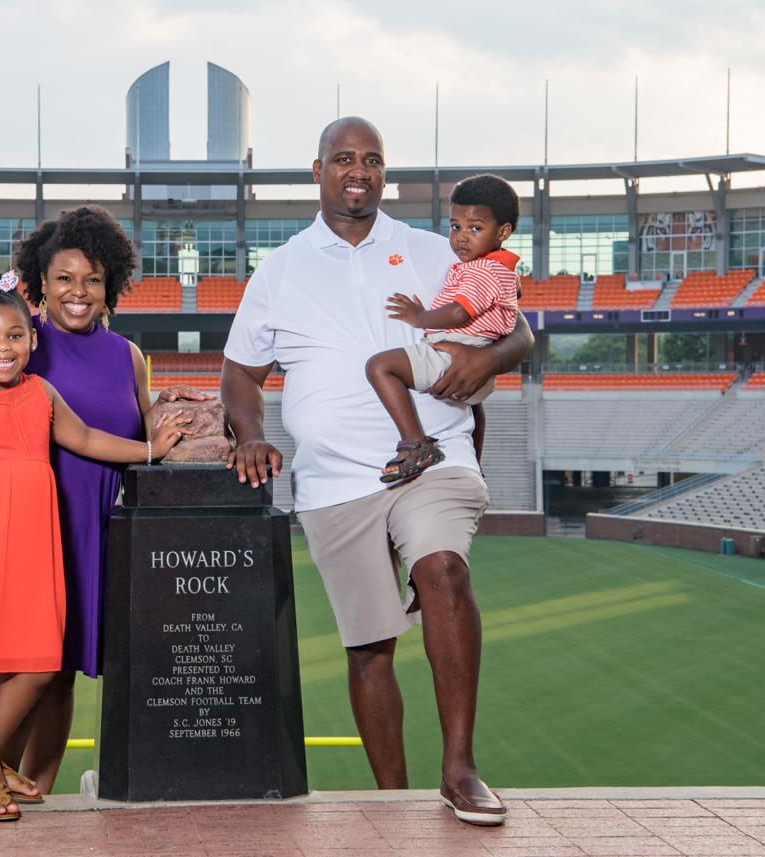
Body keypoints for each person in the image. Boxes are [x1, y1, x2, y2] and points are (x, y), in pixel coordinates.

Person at [221, 117, 533, 826]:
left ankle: (460, 770)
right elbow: (240, 372)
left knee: (444, 570)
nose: (357, 171)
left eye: (371, 160)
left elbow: (517, 325)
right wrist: (248, 432)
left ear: (385, 173)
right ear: (317, 170)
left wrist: (488, 359)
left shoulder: (435, 250)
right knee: (370, 647)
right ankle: (391, 799)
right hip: (334, 482)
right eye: (342, 159)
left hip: (433, 456)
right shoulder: (282, 267)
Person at [0, 207, 210, 795]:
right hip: (26, 525)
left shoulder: (128, 355)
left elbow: (140, 431)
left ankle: (35, 789)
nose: (78, 291)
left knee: (63, 672)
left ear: (109, 283)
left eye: (92, 278)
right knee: (24, 665)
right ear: (40, 281)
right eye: (64, 277)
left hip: (94, 526)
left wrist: (171, 404)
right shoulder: (20, 343)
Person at [0, 280, 185, 821]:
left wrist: (151, 449)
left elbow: (85, 439)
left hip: (35, 552)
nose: (2, 346)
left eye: (15, 335)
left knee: (41, 663)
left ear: (33, 342)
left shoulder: (42, 395)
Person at [365, 174, 521, 485]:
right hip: (477, 362)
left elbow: (460, 311)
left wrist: (419, 317)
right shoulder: (502, 268)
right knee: (472, 407)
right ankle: (474, 461)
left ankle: (415, 444)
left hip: (457, 350)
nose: (462, 237)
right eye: (455, 226)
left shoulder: (483, 270)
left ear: (503, 232)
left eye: (476, 228)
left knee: (380, 367)